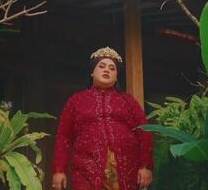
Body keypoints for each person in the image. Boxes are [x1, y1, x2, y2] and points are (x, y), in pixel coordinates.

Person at [52, 47, 153, 190]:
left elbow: (144, 133)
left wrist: (146, 166)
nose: (107, 70)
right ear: (92, 72)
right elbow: (64, 137)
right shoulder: (76, 101)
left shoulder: (128, 101)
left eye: (112, 68)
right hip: (86, 172)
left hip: (126, 172)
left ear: (117, 76)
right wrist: (59, 170)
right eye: (102, 66)